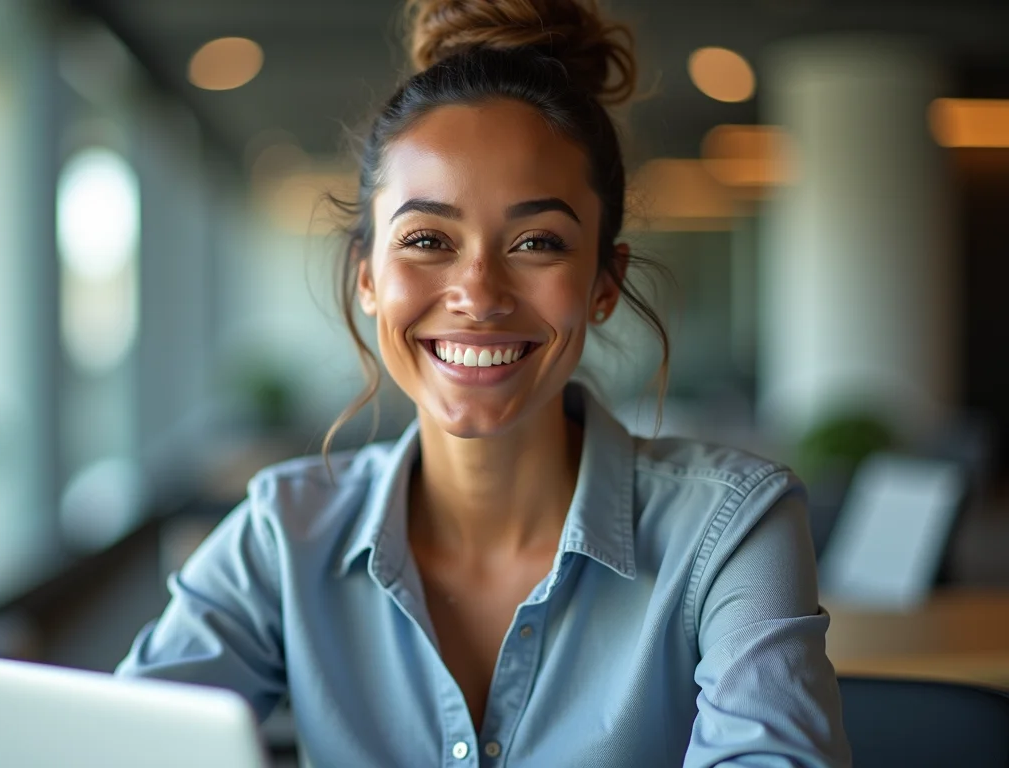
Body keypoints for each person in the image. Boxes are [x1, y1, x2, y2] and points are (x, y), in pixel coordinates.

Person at [117, 0, 851, 765]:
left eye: (537, 242)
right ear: (367, 278)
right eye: (428, 240)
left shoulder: (732, 530)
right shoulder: (283, 535)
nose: (479, 292)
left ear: (604, 282)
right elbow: (115, 745)